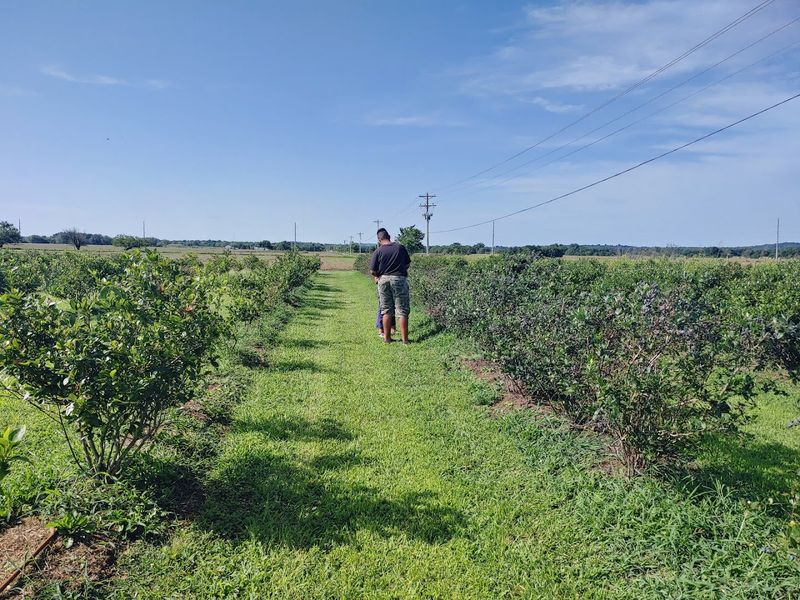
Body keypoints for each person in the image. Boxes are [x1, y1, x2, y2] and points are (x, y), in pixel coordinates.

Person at [368, 228, 411, 344]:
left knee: (386, 310)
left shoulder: (378, 251)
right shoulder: (400, 248)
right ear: (389, 236)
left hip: (383, 280)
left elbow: (372, 270)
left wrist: (378, 275)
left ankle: (387, 339)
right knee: (402, 310)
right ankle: (405, 340)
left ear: (379, 240)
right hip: (399, 279)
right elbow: (407, 264)